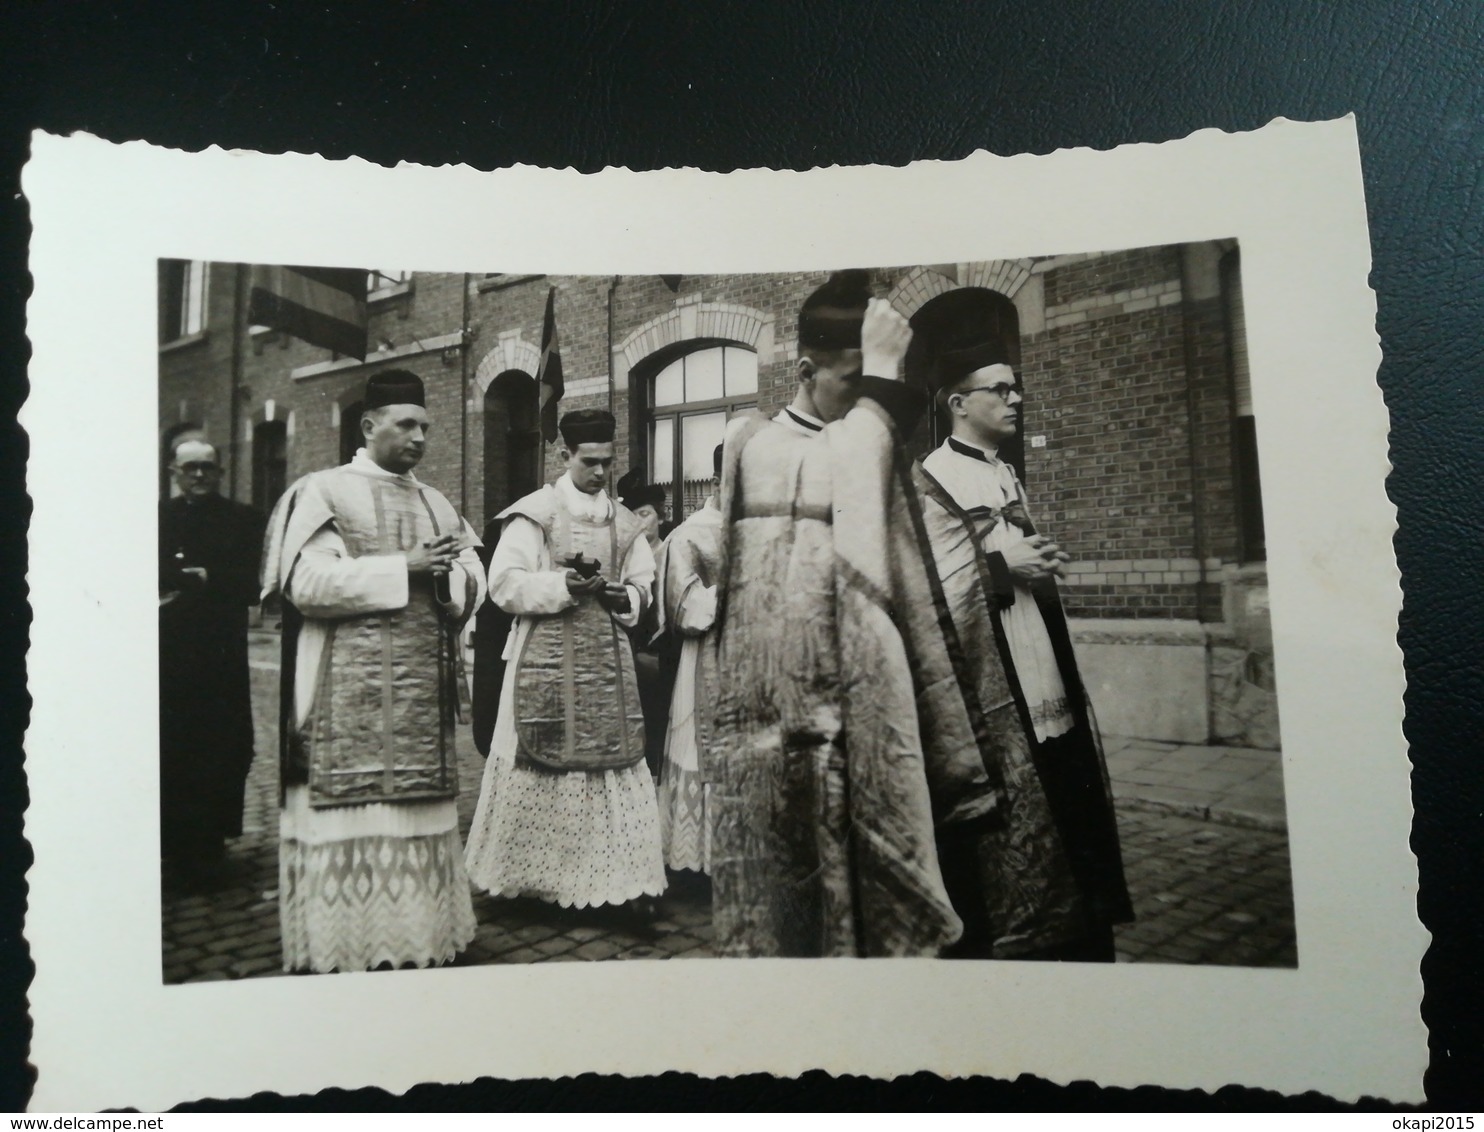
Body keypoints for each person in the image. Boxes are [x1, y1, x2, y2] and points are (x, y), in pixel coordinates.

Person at [708, 271, 1004, 957]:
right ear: (806, 371)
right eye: (851, 385)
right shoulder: (759, 444)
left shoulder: (858, 446)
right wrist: (882, 386)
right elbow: (836, 468)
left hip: (862, 712)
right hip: (787, 724)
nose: (861, 404)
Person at [915, 306, 1134, 960]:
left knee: (1063, 783)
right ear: (959, 402)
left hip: (1032, 646)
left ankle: (1073, 922)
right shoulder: (930, 479)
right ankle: (1018, 935)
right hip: (989, 677)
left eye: (1017, 388)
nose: (1016, 399)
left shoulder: (1005, 471)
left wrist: (1034, 559)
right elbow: (929, 593)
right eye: (1000, 390)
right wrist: (1004, 565)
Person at [260, 370, 485, 973]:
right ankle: (347, 946)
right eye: (405, 424)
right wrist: (403, 567)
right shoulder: (325, 491)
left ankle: (420, 938)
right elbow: (307, 585)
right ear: (369, 426)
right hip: (341, 691)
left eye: (426, 427)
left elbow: (473, 578)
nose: (419, 438)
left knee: (417, 811)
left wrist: (450, 579)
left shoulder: (436, 501)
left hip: (417, 691)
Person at [464, 408, 666, 914]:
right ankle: (530, 881)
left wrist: (628, 600)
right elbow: (502, 584)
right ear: (563, 455)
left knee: (609, 759)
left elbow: (644, 584)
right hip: (542, 657)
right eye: (589, 463)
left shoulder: (625, 522)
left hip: (606, 663)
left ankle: (614, 882)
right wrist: (559, 585)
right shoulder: (535, 513)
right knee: (539, 754)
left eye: (607, 463)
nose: (600, 474)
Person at [158, 437, 266, 891]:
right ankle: (174, 843)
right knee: (173, 742)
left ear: (220, 472)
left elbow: (255, 584)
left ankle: (211, 843)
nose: (199, 475)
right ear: (173, 471)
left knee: (220, 743)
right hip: (168, 652)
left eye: (207, 467)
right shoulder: (156, 519)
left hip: (221, 652)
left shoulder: (242, 519)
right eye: (190, 469)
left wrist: (211, 579)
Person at [652, 443, 725, 875]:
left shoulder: (764, 525)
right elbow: (683, 607)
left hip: (758, 658)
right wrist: (738, 590)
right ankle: (697, 859)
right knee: (702, 750)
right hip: (706, 657)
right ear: (716, 482)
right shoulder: (692, 533)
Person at [616, 467, 673, 779]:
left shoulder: (669, 553)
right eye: (633, 515)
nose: (639, 522)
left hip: (659, 656)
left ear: (660, 517)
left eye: (645, 514)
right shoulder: (627, 561)